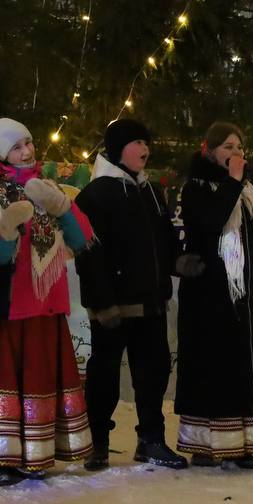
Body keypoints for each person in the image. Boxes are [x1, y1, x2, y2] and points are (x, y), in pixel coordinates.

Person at [0, 118, 94, 485]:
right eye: (16, 147)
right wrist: (7, 229)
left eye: (28, 143)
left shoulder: (49, 186)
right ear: (1, 154)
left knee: (42, 376)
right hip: (11, 305)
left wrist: (63, 207)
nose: (26, 151)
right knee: (7, 379)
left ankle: (37, 452)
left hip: (48, 303)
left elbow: (81, 240)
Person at [74, 118, 190, 471]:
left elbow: (163, 240)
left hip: (150, 302)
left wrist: (178, 262)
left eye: (146, 142)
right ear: (117, 149)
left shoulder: (151, 191)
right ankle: (97, 442)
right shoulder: (96, 194)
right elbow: (89, 254)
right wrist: (102, 303)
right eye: (137, 142)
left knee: (153, 373)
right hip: (113, 306)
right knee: (104, 375)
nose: (145, 148)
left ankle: (151, 439)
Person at [174, 122, 253, 469]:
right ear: (209, 151)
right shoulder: (196, 188)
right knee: (212, 364)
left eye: (239, 147)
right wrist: (233, 182)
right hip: (210, 293)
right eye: (227, 147)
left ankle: (242, 444)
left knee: (245, 364)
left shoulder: (246, 191)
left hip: (246, 293)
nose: (235, 153)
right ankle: (206, 444)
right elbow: (211, 222)